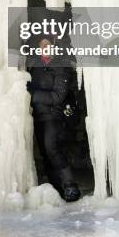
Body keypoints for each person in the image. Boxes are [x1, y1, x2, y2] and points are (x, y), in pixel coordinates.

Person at [27, 35, 81, 202]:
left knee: (52, 149)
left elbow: (58, 96)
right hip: (39, 117)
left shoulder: (60, 67)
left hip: (54, 116)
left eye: (48, 44)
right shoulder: (34, 67)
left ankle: (70, 186)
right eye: (42, 45)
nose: (45, 48)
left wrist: (32, 95)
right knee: (45, 153)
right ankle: (57, 189)